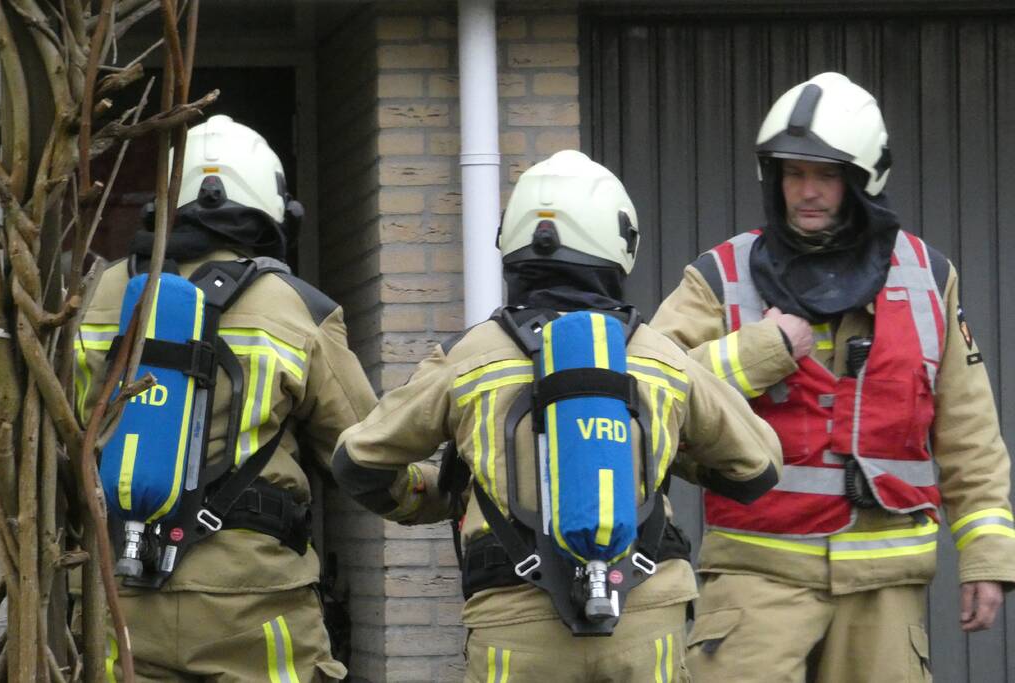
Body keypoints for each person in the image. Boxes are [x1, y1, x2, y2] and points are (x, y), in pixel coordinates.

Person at [332, 150, 782, 682]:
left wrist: (433, 495)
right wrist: (664, 452)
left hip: (514, 624)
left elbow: (358, 460)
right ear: (620, 247)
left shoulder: (470, 355)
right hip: (645, 618)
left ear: (513, 247)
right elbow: (758, 468)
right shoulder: (662, 357)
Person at [651, 72, 1015, 682]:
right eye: (794, 174)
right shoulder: (719, 275)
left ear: (863, 180)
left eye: (825, 175)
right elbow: (647, 390)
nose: (807, 192)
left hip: (884, 591)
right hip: (754, 585)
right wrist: (758, 353)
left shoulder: (929, 278)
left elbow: (969, 433)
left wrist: (987, 557)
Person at [74, 115, 376, 681]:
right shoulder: (296, 308)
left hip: (115, 595)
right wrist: (424, 495)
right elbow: (365, 450)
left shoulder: (97, 295)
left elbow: (60, 430)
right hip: (256, 600)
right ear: (273, 208)